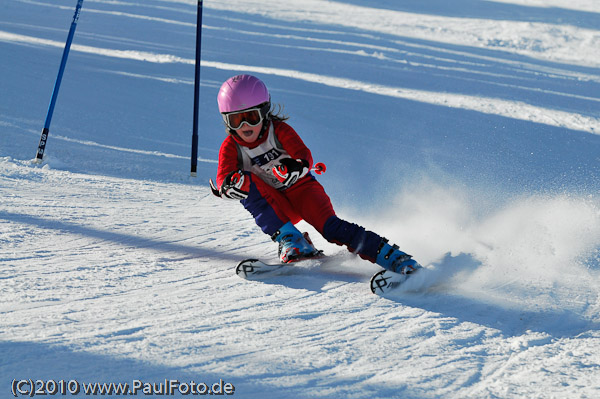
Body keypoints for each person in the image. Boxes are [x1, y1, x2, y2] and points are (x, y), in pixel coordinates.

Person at [210, 74, 421, 275]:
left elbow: (304, 156)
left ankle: (394, 258)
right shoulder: (230, 146)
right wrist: (228, 186)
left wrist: (297, 165)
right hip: (275, 206)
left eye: (251, 117)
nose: (245, 126)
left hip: (303, 192)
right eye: (236, 120)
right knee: (244, 184)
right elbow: (223, 177)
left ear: (264, 112)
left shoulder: (279, 130)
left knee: (331, 229)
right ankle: (292, 240)